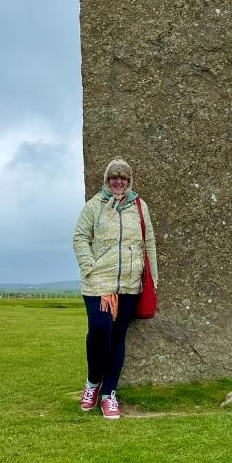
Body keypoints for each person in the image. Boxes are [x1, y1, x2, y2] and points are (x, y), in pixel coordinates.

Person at [72, 157, 158, 419]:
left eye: (122, 178)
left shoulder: (140, 207)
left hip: (129, 284)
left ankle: (109, 393)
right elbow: (79, 238)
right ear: (107, 181)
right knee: (100, 329)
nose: (118, 182)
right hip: (99, 282)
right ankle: (92, 382)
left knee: (118, 338)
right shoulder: (93, 207)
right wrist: (90, 267)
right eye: (113, 178)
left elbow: (149, 242)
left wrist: (152, 278)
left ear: (129, 181)